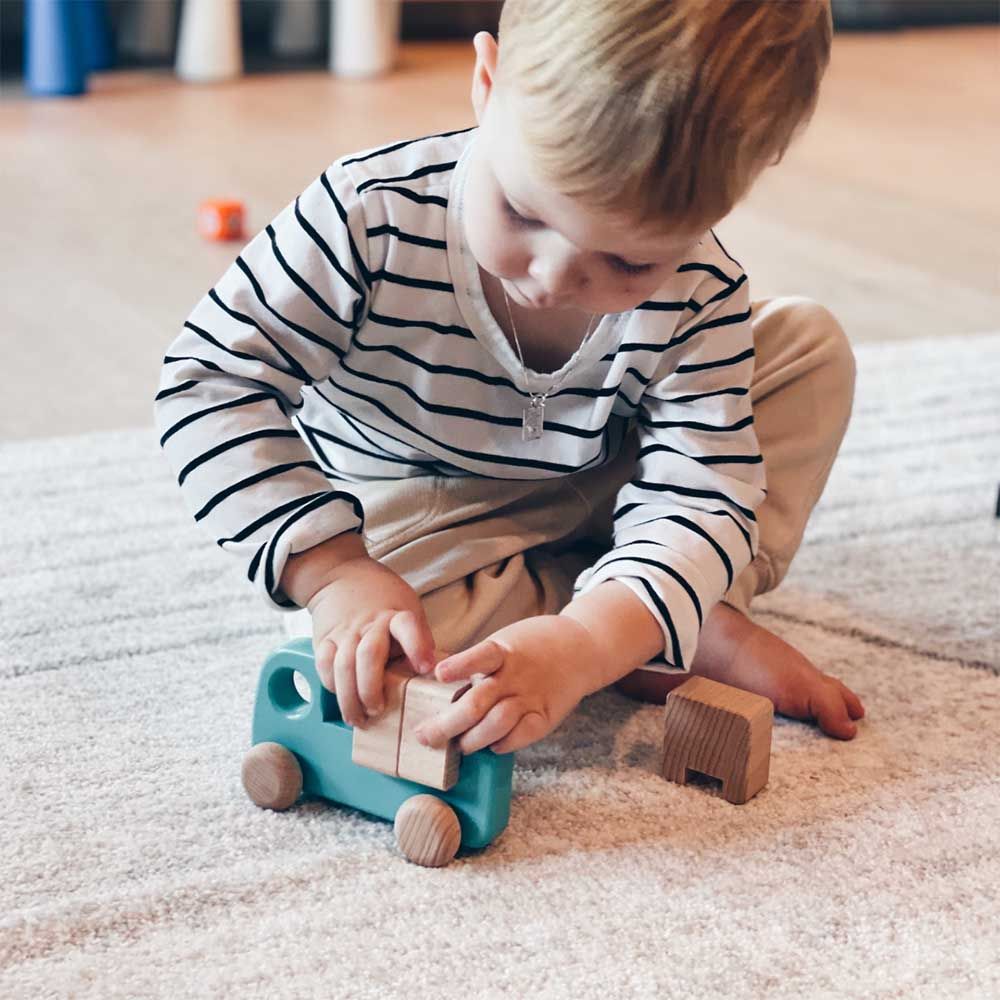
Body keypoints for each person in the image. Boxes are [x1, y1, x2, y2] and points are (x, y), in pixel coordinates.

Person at [154, 0, 865, 760]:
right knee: (385, 638)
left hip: (615, 468)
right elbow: (209, 379)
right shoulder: (368, 213)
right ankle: (660, 616)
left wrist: (585, 645)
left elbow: (705, 489)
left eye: (630, 263)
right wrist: (332, 573)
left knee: (808, 350)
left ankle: (644, 610)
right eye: (523, 212)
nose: (555, 276)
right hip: (426, 504)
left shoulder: (698, 287)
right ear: (487, 83)